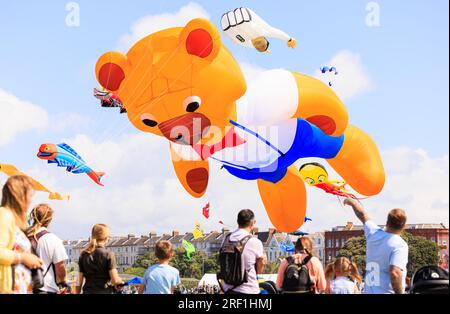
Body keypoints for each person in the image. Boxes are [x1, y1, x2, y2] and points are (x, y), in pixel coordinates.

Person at [344, 198, 409, 294]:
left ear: (387, 223)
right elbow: (395, 273)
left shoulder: (373, 233)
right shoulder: (400, 245)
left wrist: (352, 202)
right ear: (404, 226)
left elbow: (362, 214)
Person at [0, 175, 43, 294]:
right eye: (30, 195)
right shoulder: (4, 215)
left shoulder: (12, 220)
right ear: (20, 195)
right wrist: (23, 258)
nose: (31, 200)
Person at [219, 209, 267, 294]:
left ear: (238, 222)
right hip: (248, 290)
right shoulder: (255, 241)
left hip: (227, 290)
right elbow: (260, 268)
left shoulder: (226, 238)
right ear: (253, 223)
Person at [26, 204, 69, 294]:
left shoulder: (23, 236)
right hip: (45, 288)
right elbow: (60, 269)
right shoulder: (53, 239)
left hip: (24, 288)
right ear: (50, 220)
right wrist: (64, 283)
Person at [76, 224, 123, 294]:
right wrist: (120, 281)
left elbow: (79, 282)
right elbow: (115, 280)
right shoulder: (109, 254)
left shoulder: (83, 255)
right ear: (106, 238)